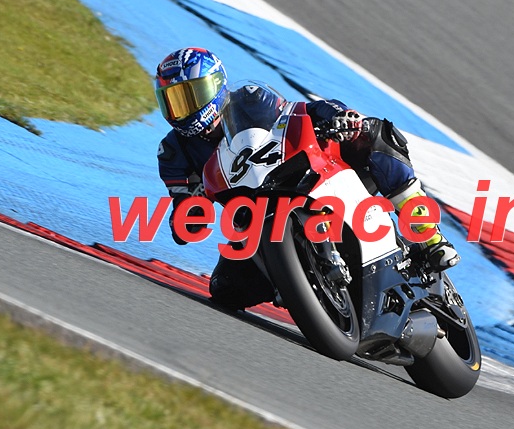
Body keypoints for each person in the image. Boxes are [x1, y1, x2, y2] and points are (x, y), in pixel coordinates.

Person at [154, 47, 459, 308]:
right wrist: (189, 212)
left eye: (190, 96)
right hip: (255, 220)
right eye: (173, 101)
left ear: (216, 85)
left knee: (373, 133)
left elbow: (301, 111)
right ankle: (297, 286)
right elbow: (183, 216)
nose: (183, 110)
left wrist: (339, 117)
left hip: (307, 175)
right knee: (225, 289)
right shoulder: (173, 151)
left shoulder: (249, 98)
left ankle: (426, 233)